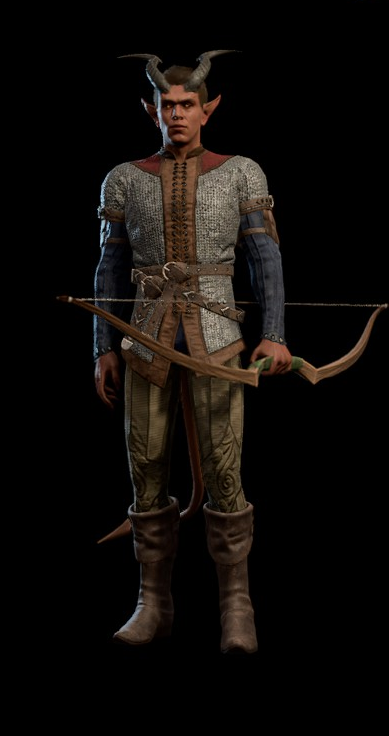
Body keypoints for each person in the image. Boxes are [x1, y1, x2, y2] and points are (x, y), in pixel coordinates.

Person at [93, 50, 292, 654]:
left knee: (225, 471)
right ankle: (152, 603)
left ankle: (237, 607)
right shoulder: (124, 178)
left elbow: (265, 259)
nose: (176, 114)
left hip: (218, 343)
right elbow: (110, 267)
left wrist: (276, 333)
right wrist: (102, 346)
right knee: (146, 470)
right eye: (167, 104)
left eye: (187, 104)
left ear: (209, 108)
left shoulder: (241, 172)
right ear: (150, 109)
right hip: (144, 341)